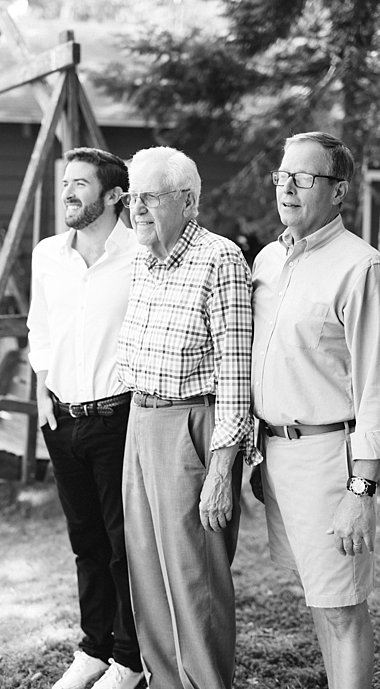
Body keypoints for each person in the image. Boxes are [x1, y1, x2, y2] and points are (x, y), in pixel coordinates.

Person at [115, 146, 252, 689]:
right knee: (147, 570)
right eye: (132, 197)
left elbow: (236, 377)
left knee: (196, 579)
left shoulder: (219, 260)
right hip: (141, 421)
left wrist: (221, 471)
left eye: (149, 197)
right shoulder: (141, 259)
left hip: (192, 428)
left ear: (188, 201)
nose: (137, 209)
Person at [251, 131, 380, 689]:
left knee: (343, 609)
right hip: (277, 456)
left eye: (303, 178)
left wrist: (361, 491)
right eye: (283, 176)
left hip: (332, 462)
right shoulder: (267, 259)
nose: (288, 187)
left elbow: (376, 386)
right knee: (319, 602)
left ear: (339, 191)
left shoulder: (361, 267)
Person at [27, 148, 142, 689]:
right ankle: (94, 648)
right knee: (85, 542)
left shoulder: (141, 254)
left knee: (123, 543)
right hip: (62, 419)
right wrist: (43, 388)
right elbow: (40, 329)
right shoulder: (49, 254)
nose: (68, 192)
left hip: (119, 417)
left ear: (114, 195)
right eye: (65, 182)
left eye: (80, 183)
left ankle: (129, 658)